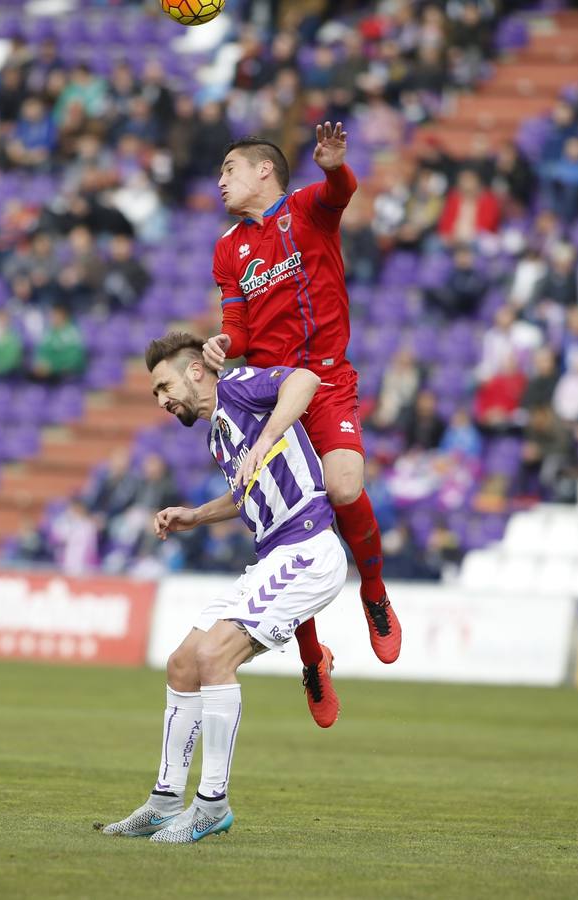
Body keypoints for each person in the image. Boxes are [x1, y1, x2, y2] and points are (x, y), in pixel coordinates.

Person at [102, 332, 347, 842]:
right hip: (272, 558)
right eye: (154, 394)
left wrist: (264, 440)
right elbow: (244, 492)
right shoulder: (217, 434)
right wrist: (195, 515)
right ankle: (166, 799)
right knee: (183, 661)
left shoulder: (237, 386)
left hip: (307, 549)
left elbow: (304, 379)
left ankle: (211, 804)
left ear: (196, 372)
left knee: (216, 657)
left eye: (164, 385)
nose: (162, 400)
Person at [201, 124, 402, 719]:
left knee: (343, 488)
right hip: (273, 393)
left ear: (264, 170)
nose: (220, 180)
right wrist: (221, 343)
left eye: (229, 169)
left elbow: (340, 192)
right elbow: (238, 325)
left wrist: (336, 166)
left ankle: (374, 592)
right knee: (289, 532)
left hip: (327, 378)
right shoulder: (227, 248)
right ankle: (313, 659)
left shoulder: (306, 210)